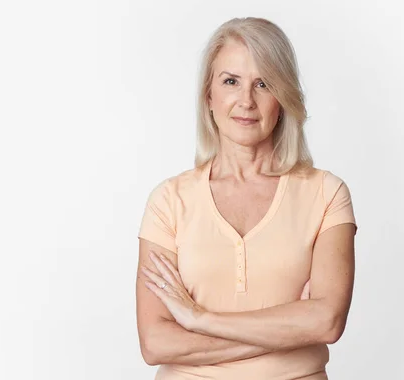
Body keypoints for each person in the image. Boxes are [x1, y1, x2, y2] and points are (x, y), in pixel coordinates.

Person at [135, 17, 357, 380]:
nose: (246, 101)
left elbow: (327, 321)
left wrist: (199, 319)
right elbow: (156, 343)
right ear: (209, 96)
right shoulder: (168, 201)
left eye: (263, 84)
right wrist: (290, 330)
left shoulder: (326, 194)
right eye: (230, 81)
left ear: (282, 98)